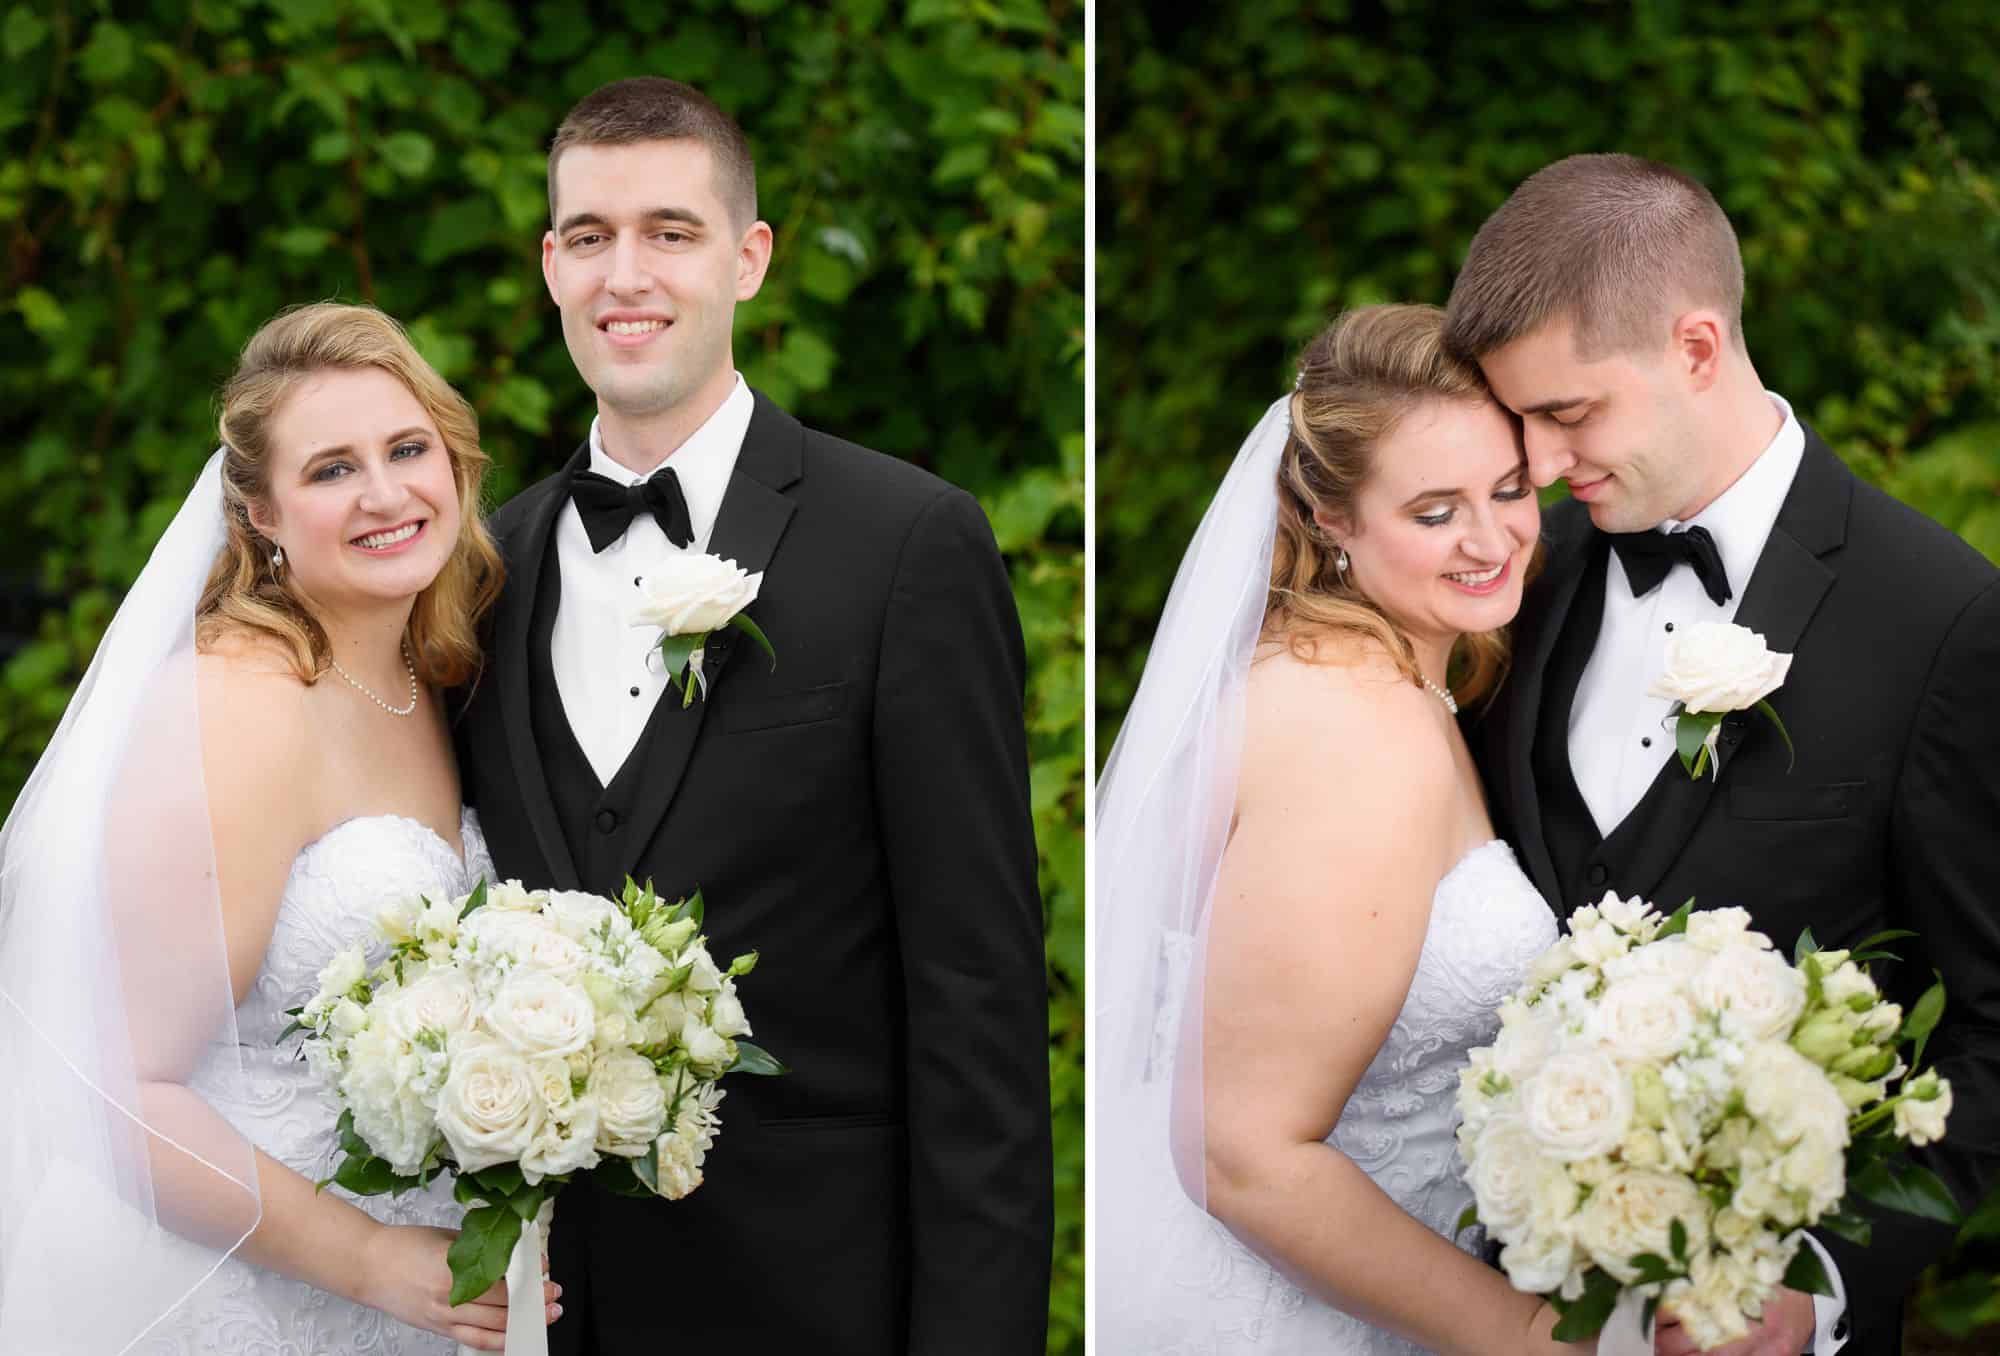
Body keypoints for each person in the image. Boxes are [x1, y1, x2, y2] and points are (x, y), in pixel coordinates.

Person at [450, 77, 1052, 1354]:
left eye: (671, 231)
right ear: (550, 266)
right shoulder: (477, 582)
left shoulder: (906, 544)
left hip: (822, 1302)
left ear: (749, 258)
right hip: (551, 1317)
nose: (629, 274)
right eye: (591, 236)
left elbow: (976, 999)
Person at [1446, 152, 2000, 1356]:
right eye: (1518, 422)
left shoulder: (1941, 620)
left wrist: (1817, 1290)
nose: (1534, 468)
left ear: (1694, 348)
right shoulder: (1513, 583)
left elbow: (1992, 1030)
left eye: (1565, 413)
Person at [0, 301, 561, 1352]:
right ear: (260, 513)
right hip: (239, 1287)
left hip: (416, 1287)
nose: (386, 492)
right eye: (331, 469)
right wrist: (366, 1258)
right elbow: (119, 1089)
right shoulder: (241, 702)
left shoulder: (426, 674)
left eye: (407, 449)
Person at [1097, 303, 1595, 1354]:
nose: (1490, 537)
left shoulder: (1363, 673)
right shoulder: (1354, 730)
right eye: (1431, 511)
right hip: (1290, 1314)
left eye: (1507, 489)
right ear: (1333, 520)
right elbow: (1242, 1153)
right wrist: (1544, 1340)